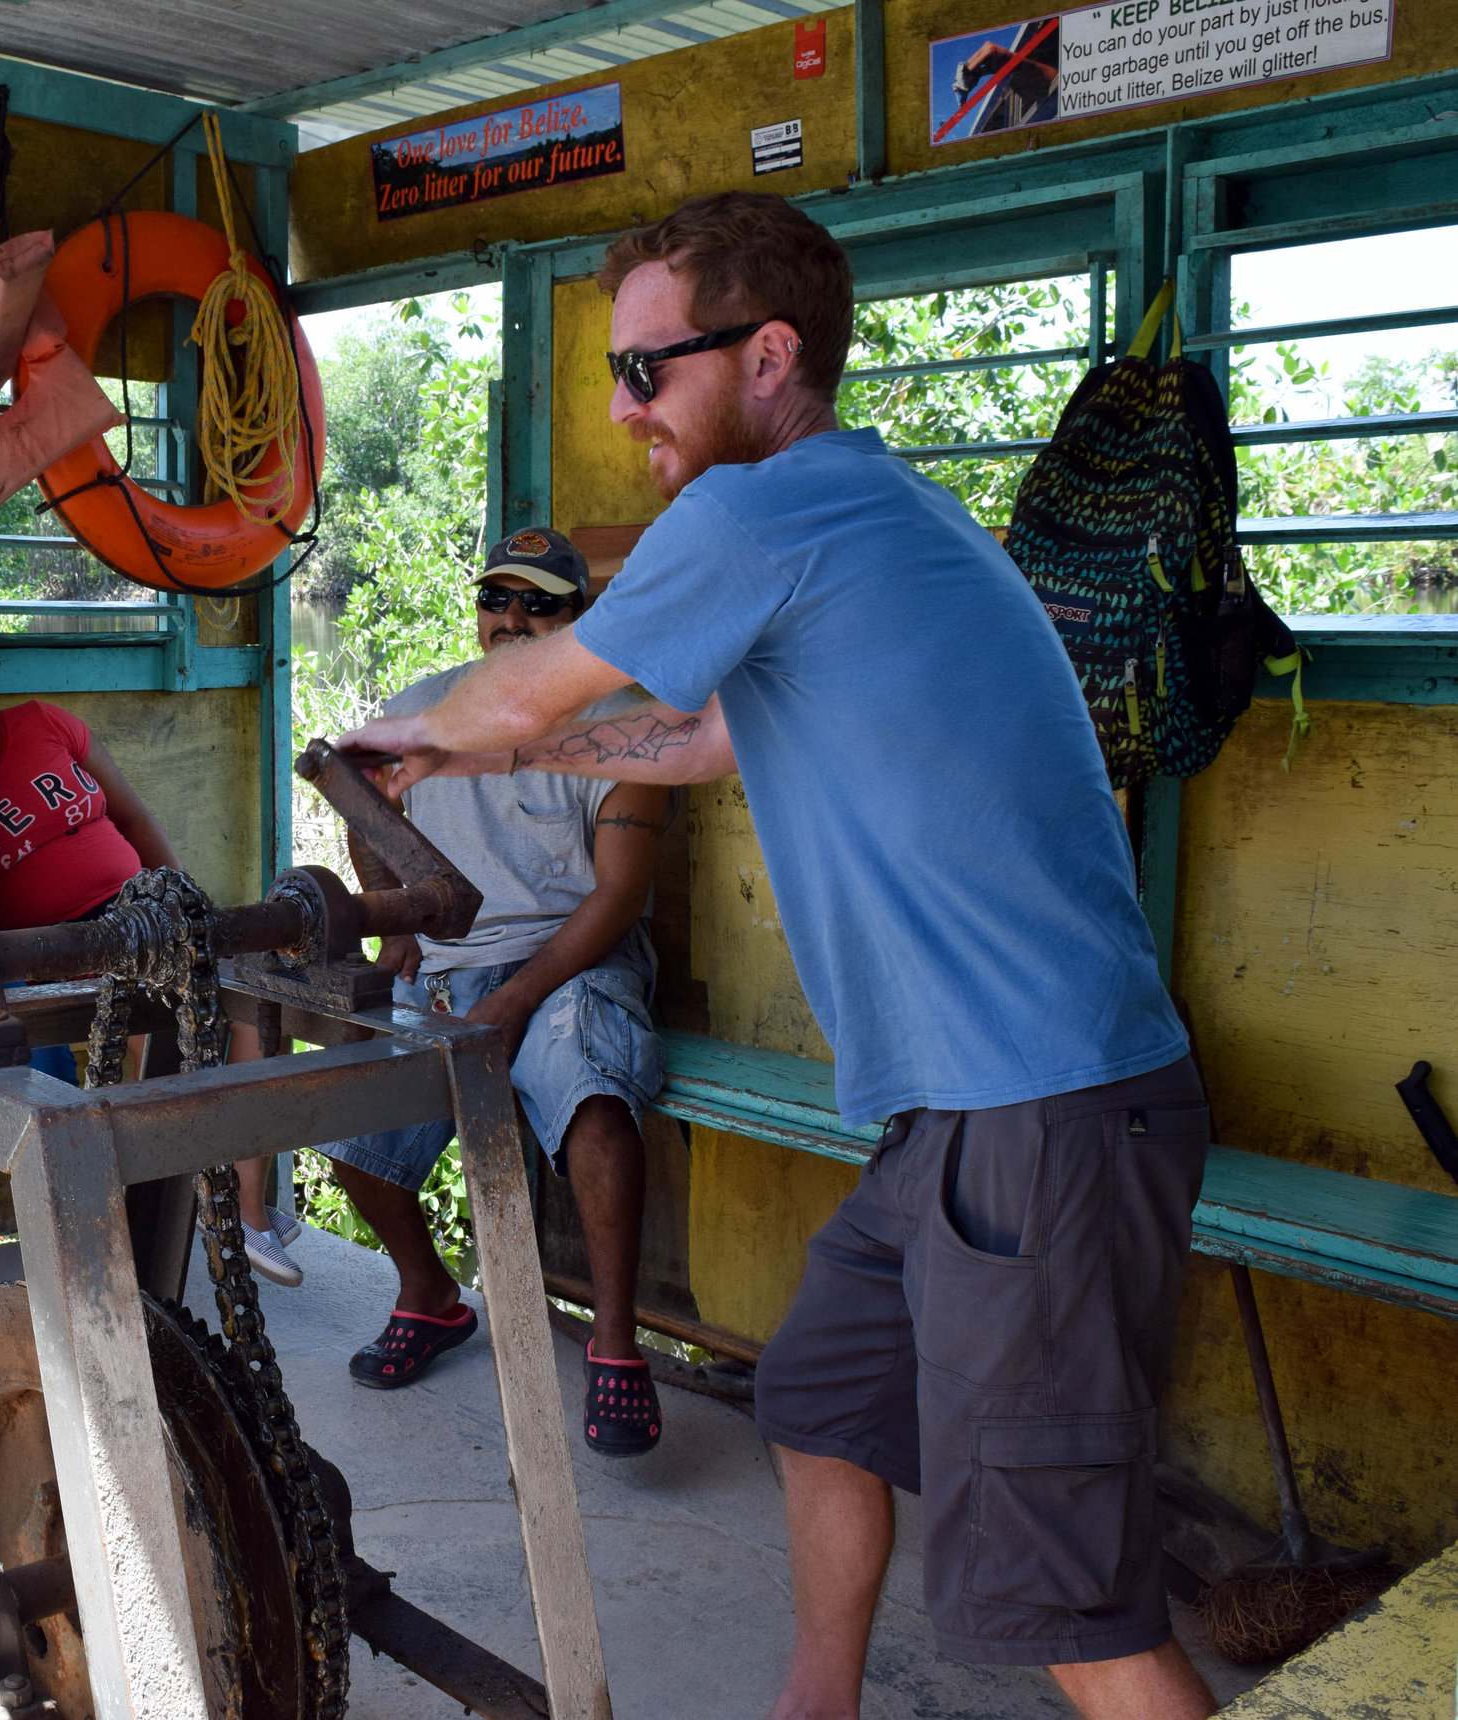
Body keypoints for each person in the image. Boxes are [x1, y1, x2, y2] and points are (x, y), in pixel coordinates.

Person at [342, 193, 1214, 1718]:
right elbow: (694, 735)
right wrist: (467, 768)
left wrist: (413, 725)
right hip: (963, 1113)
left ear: (770, 355)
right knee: (821, 1401)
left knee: (1069, 1599)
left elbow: (548, 680)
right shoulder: (864, 520)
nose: (627, 417)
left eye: (647, 373)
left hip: (1039, 1113)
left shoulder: (766, 511)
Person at [315, 527, 671, 1451]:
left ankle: (615, 1345)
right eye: (498, 599)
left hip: (574, 959)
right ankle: (429, 1295)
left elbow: (618, 896)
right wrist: (396, 925)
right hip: (449, 963)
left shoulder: (626, 724)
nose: (513, 620)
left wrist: (513, 1003)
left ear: (577, 618)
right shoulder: (427, 711)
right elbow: (362, 803)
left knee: (592, 1098)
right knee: (347, 1126)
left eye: (541, 603)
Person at [0, 626, 315, 1282]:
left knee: (252, 1008)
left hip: (147, 906)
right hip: (64, 948)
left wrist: (188, 901)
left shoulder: (44, 726)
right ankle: (164, 1221)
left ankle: (245, 1212)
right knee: (158, 1036)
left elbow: (134, 818)